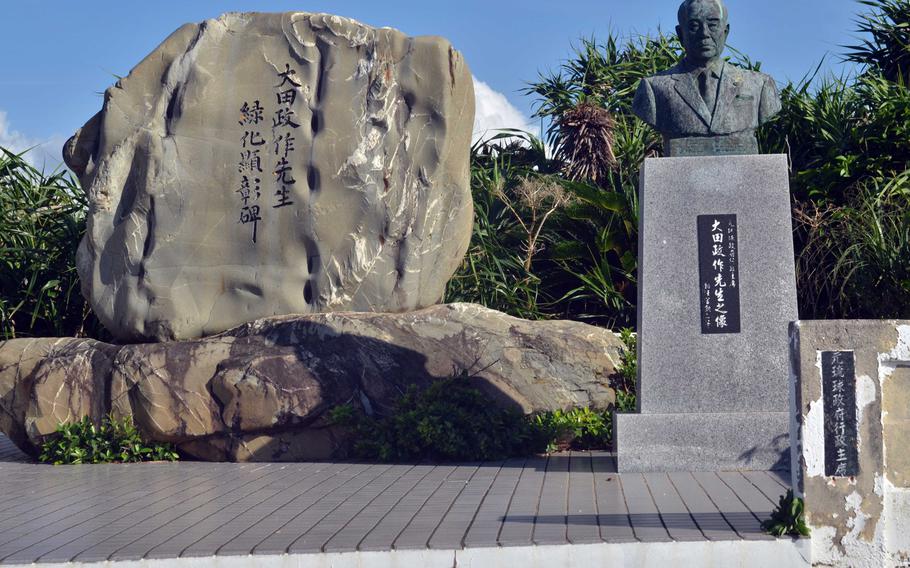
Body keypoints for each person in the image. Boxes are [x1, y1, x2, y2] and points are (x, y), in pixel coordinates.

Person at [632, 0, 781, 156]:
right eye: (694, 26)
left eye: (713, 25)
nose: (704, 33)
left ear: (726, 31)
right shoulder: (654, 88)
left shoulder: (759, 85)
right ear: (680, 34)